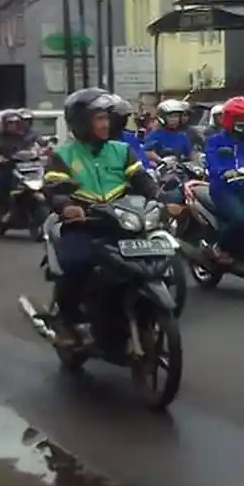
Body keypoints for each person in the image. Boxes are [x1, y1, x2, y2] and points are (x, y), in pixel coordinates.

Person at [43, 88, 161, 345]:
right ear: (81, 122)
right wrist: (66, 206)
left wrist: (162, 199)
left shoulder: (121, 150)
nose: (106, 124)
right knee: (76, 262)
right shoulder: (63, 155)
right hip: (84, 225)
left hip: (121, 222)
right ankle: (67, 320)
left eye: (106, 118)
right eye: (98, 119)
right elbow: (55, 189)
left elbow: (142, 181)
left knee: (154, 257)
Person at [205, 96, 244, 256]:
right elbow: (212, 163)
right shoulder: (215, 141)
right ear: (230, 119)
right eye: (242, 119)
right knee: (241, 217)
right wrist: (224, 172)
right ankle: (220, 246)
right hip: (223, 189)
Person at [0, 109, 37, 225]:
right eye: (9, 123)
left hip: (22, 167)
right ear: (4, 124)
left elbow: (32, 148)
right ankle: (5, 209)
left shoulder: (23, 137)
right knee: (0, 181)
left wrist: (40, 152)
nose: (12, 126)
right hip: (4, 168)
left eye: (15, 123)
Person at [106, 95, 151, 170]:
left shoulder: (129, 138)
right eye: (118, 118)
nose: (123, 121)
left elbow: (143, 162)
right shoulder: (96, 143)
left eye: (124, 118)